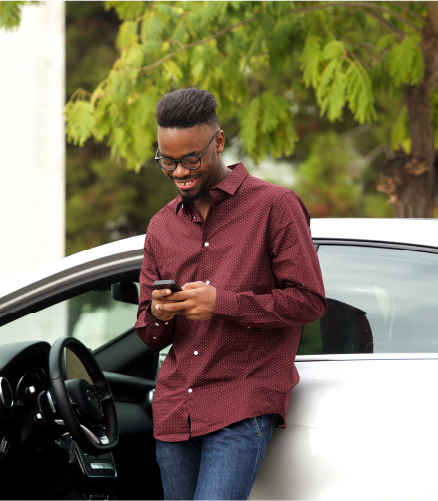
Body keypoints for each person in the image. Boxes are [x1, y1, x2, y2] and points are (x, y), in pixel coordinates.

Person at [135, 88, 327, 500]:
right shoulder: (160, 227)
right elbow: (149, 336)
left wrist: (221, 302)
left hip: (241, 402)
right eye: (167, 161)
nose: (179, 172)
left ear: (218, 143)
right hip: (175, 411)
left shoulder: (275, 205)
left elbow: (309, 300)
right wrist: (159, 314)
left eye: (190, 159)